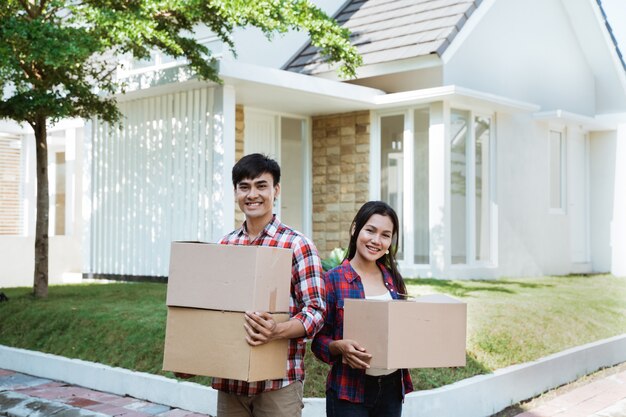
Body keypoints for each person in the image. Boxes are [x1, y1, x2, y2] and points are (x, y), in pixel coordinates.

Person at [213, 153, 325, 417]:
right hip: (231, 383)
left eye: (261, 185)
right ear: (236, 193)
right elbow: (213, 311)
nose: (252, 194)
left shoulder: (297, 245)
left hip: (279, 384)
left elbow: (316, 311)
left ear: (276, 190)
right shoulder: (225, 246)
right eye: (244, 187)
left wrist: (277, 330)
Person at [312, 201, 414, 417]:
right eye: (370, 230)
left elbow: (405, 331)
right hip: (349, 390)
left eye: (385, 235)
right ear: (355, 229)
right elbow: (317, 341)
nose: (377, 240)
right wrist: (338, 347)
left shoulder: (393, 280)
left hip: (392, 388)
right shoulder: (332, 280)